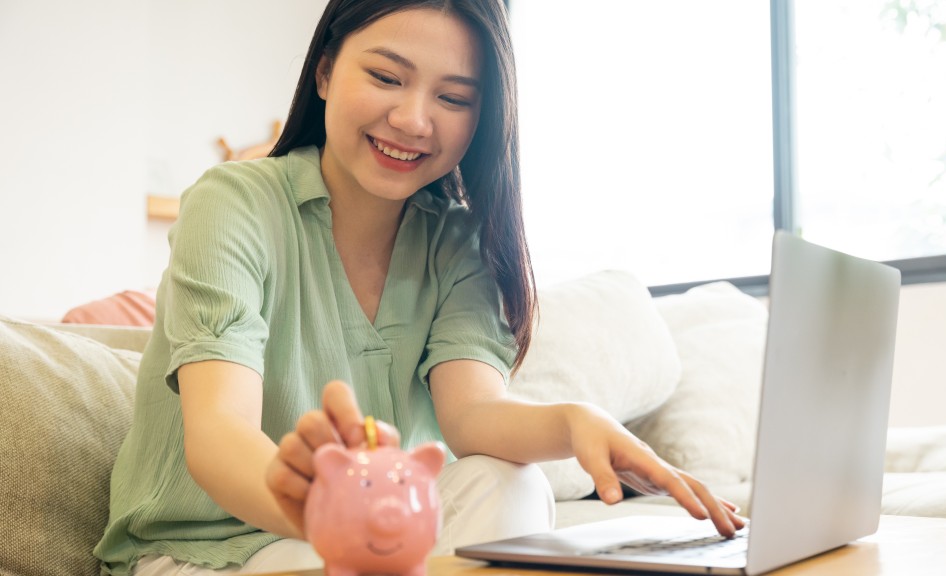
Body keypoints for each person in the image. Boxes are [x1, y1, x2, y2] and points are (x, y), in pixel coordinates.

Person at [94, 1, 746, 574]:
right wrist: (333, 515)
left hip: (373, 542)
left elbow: (471, 418)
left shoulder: (457, 241)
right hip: (205, 550)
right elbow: (218, 435)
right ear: (324, 71)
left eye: (454, 98)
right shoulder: (233, 203)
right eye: (385, 77)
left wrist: (577, 421)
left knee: (509, 483)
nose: (413, 119)